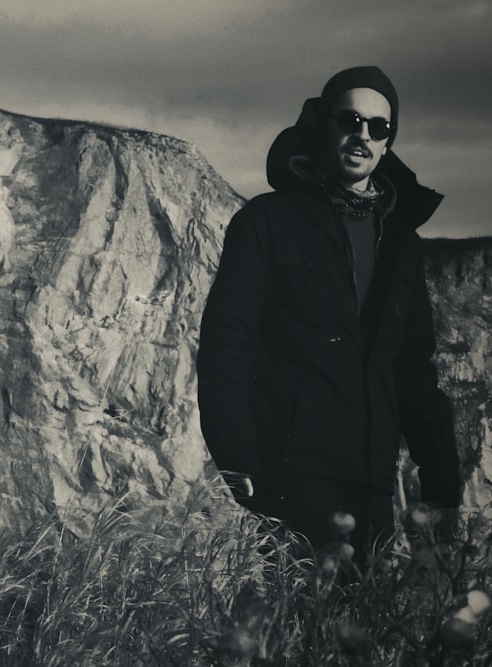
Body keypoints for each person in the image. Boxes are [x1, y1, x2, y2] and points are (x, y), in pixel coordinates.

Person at [196, 66, 461, 557]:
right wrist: (239, 462)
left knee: (361, 631)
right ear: (323, 124)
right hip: (291, 475)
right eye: (350, 120)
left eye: (378, 127)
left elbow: (414, 372)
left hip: (373, 482)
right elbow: (226, 347)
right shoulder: (266, 222)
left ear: (387, 142)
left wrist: (443, 487)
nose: (363, 135)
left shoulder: (402, 244)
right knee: (294, 628)